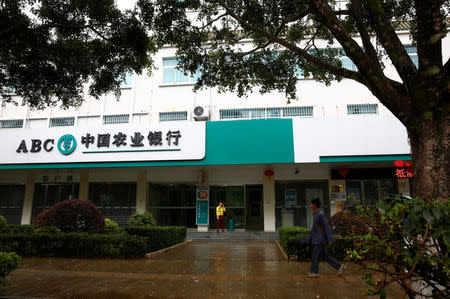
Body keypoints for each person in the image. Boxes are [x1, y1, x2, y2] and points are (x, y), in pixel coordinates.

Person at [303, 198, 346, 278]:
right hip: (318, 239)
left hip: (320, 239)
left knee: (315, 255)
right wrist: (309, 238)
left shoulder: (320, 214)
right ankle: (339, 266)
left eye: (311, 204)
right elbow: (314, 229)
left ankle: (314, 272)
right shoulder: (316, 214)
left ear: (315, 205)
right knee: (324, 255)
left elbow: (326, 227)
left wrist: (330, 239)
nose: (310, 206)